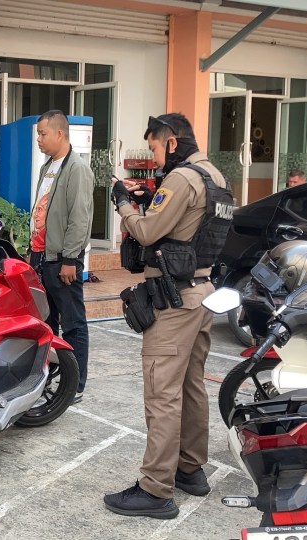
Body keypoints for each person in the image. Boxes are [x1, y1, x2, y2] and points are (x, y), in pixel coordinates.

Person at [104, 113, 231, 519]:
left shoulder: (182, 179)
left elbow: (146, 232)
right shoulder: (218, 179)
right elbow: (187, 229)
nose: (154, 157)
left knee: (162, 393)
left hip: (174, 302)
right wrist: (147, 200)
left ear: (172, 142)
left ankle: (156, 488)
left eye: (156, 148)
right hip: (204, 292)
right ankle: (190, 470)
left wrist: (125, 204)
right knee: (192, 386)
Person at [29, 110, 93, 402]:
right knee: (47, 322)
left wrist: (70, 259)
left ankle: (76, 385)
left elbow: (79, 218)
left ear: (60, 134)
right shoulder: (48, 166)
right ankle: (53, 378)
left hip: (61, 260)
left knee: (73, 323)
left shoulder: (76, 169)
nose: (39, 139)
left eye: (42, 133)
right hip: (41, 257)